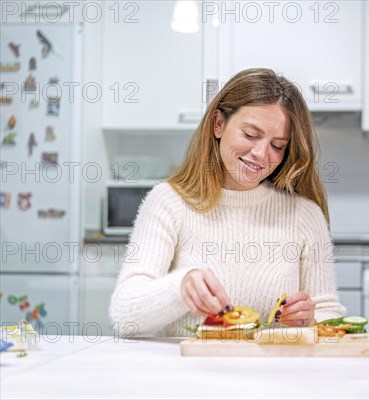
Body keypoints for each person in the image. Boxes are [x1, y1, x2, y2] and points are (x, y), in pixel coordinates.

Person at [109, 68, 345, 336]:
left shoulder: (304, 215)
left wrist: (310, 319)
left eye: (278, 146)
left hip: (273, 374)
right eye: (250, 135)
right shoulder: (169, 202)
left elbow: (329, 313)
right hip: (189, 374)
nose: (260, 154)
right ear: (218, 124)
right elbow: (124, 315)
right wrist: (180, 288)